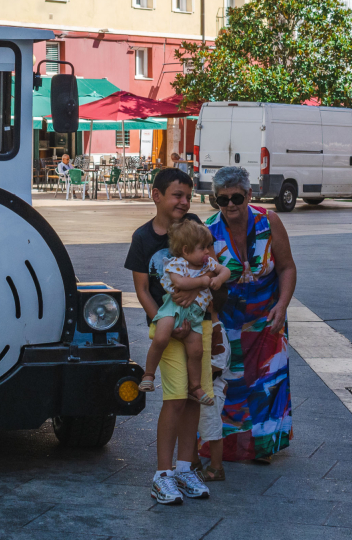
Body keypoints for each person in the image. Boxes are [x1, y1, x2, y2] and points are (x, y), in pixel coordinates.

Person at [123, 168, 212, 505]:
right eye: (177, 195)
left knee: (193, 398)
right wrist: (163, 319)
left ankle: (186, 468)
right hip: (167, 326)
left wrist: (204, 289)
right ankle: (163, 474)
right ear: (156, 195)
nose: (184, 202)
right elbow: (143, 290)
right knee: (174, 399)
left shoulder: (194, 226)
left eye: (188, 196)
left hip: (198, 326)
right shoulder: (144, 237)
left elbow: (213, 267)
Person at [203, 166, 296, 463]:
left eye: (237, 198)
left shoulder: (269, 222)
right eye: (223, 199)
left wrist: (282, 305)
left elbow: (286, 267)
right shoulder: (209, 231)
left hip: (268, 317)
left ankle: (263, 447)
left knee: (267, 383)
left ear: (249, 195)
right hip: (228, 320)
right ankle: (230, 447)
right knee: (231, 383)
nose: (230, 205)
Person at [140, 220, 229, 406]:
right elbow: (180, 283)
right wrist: (204, 282)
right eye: (202, 248)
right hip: (173, 309)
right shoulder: (176, 264)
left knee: (196, 351)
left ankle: (195, 387)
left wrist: (219, 277)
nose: (207, 251)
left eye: (208, 247)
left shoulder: (208, 264)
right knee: (162, 338)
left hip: (195, 314)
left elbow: (225, 270)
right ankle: (148, 374)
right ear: (186, 250)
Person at [197, 318, 229, 481]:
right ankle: (192, 463)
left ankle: (216, 468)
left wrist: (194, 366)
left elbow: (218, 364)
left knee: (212, 427)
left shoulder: (217, 330)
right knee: (198, 425)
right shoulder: (209, 327)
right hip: (204, 387)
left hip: (212, 390)